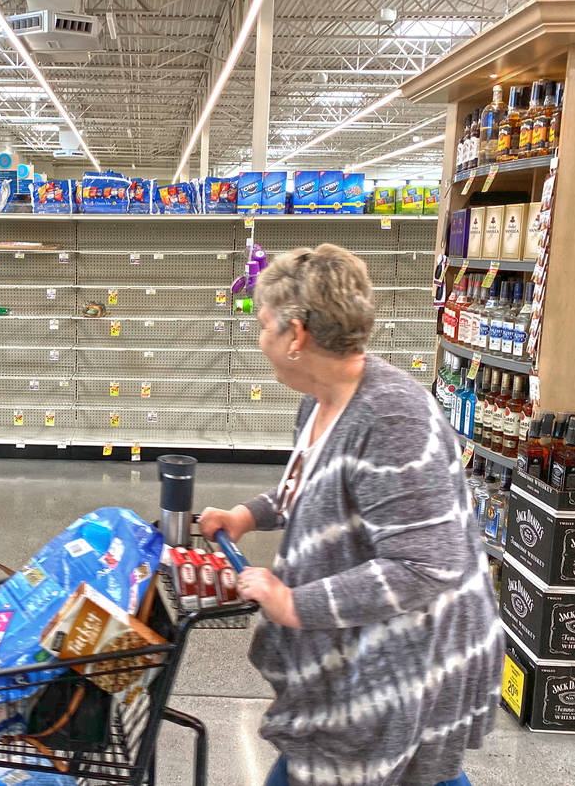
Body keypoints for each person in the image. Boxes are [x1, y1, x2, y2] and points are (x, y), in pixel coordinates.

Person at [199, 244, 501, 786]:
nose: (258, 338)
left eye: (263, 324)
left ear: (296, 336)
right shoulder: (320, 397)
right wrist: (247, 514)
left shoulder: (392, 416)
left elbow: (424, 567)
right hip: (362, 647)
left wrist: (293, 602)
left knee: (376, 766)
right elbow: (311, 484)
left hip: (411, 656)